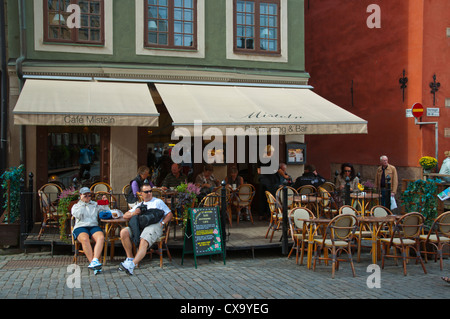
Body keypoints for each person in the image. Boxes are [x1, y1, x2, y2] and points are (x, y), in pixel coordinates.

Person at [119, 183, 173, 275]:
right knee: (124, 232)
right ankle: (130, 258)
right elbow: (125, 215)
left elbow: (169, 214)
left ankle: (131, 265)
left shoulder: (158, 202)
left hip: (154, 225)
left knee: (143, 240)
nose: (149, 193)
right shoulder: (139, 205)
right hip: (141, 227)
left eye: (150, 191)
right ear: (141, 193)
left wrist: (162, 223)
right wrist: (134, 213)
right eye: (146, 192)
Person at [71, 187, 105, 272]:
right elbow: (78, 215)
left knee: (101, 238)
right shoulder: (76, 206)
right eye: (85, 195)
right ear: (80, 196)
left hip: (93, 225)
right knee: (85, 239)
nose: (87, 197)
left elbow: (105, 210)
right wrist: (83, 203)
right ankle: (93, 263)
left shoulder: (95, 204)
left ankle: (95, 261)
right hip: (80, 226)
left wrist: (105, 201)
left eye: (89, 195)